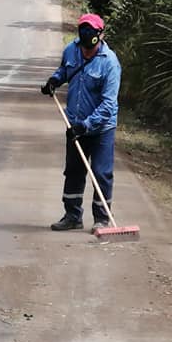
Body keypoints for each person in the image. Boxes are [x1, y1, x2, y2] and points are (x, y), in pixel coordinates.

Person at [41, 13, 121, 231]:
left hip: (101, 128)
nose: (86, 34)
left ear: (100, 34)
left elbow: (108, 105)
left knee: (101, 173)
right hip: (74, 124)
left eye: (90, 31)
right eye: (83, 29)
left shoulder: (110, 63)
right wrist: (54, 80)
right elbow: (64, 71)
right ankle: (72, 216)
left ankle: (102, 219)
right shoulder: (71, 50)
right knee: (74, 171)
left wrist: (85, 125)